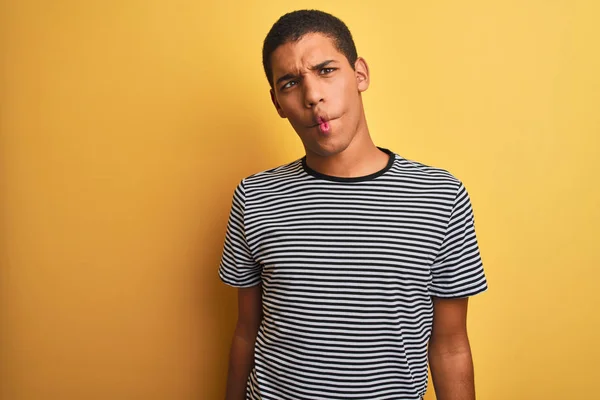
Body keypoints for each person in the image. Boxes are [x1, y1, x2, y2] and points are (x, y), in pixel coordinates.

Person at [218, 9, 488, 400]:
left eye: (326, 70)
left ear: (359, 74)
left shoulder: (440, 196)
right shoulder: (255, 196)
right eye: (291, 83)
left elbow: (450, 346)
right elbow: (246, 329)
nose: (313, 96)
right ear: (277, 102)